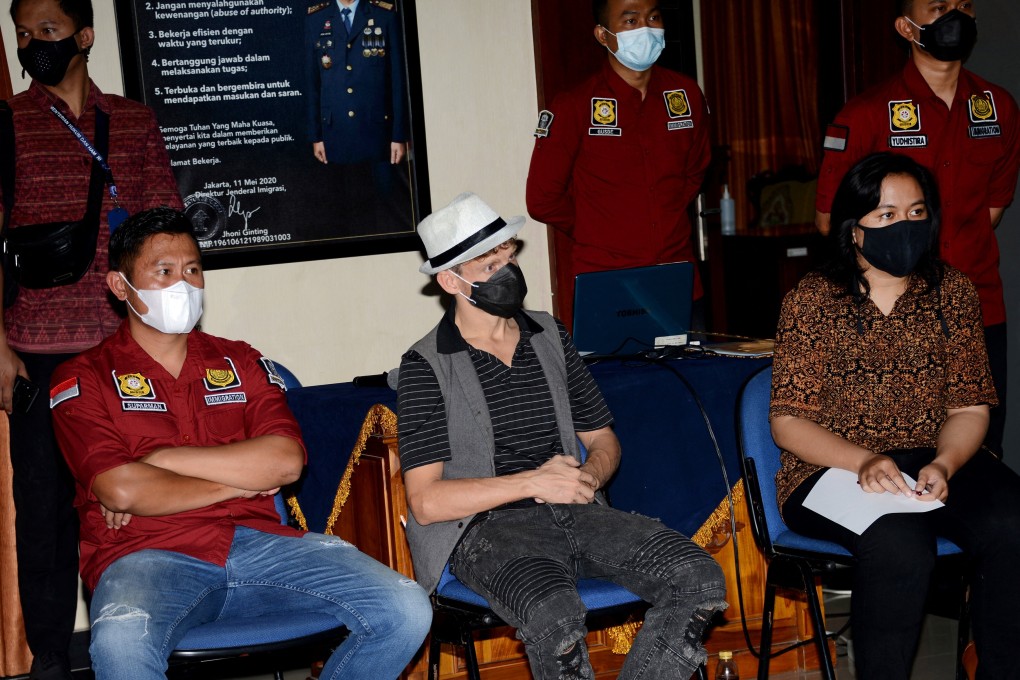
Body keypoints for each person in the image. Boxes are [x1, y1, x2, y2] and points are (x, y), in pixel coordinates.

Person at [48, 207, 431, 680]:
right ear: (120, 286)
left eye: (192, 270)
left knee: (405, 608)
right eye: (163, 272)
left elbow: (286, 462)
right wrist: (241, 483)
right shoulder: (82, 377)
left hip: (261, 544)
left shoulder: (240, 360)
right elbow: (122, 491)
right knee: (122, 647)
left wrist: (164, 461)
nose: (183, 285)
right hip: (145, 556)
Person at [395, 192, 726, 680]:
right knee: (555, 613)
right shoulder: (426, 365)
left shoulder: (550, 334)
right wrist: (534, 482)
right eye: (489, 265)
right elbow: (425, 503)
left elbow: (604, 441)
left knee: (699, 578)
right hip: (485, 529)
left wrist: (587, 476)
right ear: (450, 280)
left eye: (509, 256)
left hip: (576, 508)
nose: (508, 272)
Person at [773, 153, 1020, 679]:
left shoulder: (952, 292)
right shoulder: (813, 300)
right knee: (902, 546)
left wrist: (948, 463)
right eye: (886, 216)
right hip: (830, 466)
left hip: (932, 456)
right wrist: (864, 460)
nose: (904, 227)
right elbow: (789, 423)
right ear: (854, 229)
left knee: (1012, 521)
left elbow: (969, 405)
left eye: (915, 213)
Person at [2, 1, 183, 677]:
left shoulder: (131, 122)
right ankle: (49, 661)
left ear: (84, 35)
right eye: (21, 35)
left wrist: (164, 336)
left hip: (118, 353)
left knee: (124, 508)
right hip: (35, 352)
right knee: (45, 517)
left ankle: (129, 650)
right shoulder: (8, 123)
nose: (32, 45)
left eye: (46, 32)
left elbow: (166, 228)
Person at [814, 0, 1020, 457]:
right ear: (907, 27)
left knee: (981, 453)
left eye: (964, 5)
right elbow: (831, 220)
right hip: (890, 317)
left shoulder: (998, 107)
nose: (955, 16)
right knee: (897, 452)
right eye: (939, 7)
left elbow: (992, 210)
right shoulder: (866, 113)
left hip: (979, 307)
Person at [526, 0, 711, 329]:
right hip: (607, 284)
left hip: (677, 279)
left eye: (653, 16)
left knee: (691, 379)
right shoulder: (574, 105)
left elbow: (694, 172)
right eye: (630, 20)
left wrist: (658, 213)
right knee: (615, 382)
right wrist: (600, 227)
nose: (645, 27)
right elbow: (543, 199)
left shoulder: (685, 95)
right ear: (602, 35)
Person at [304, 0, 411, 228]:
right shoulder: (316, 19)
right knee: (342, 213)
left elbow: (398, 82)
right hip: (335, 134)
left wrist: (398, 136)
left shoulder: (384, 16)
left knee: (387, 209)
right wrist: (316, 136)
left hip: (378, 135)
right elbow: (313, 84)